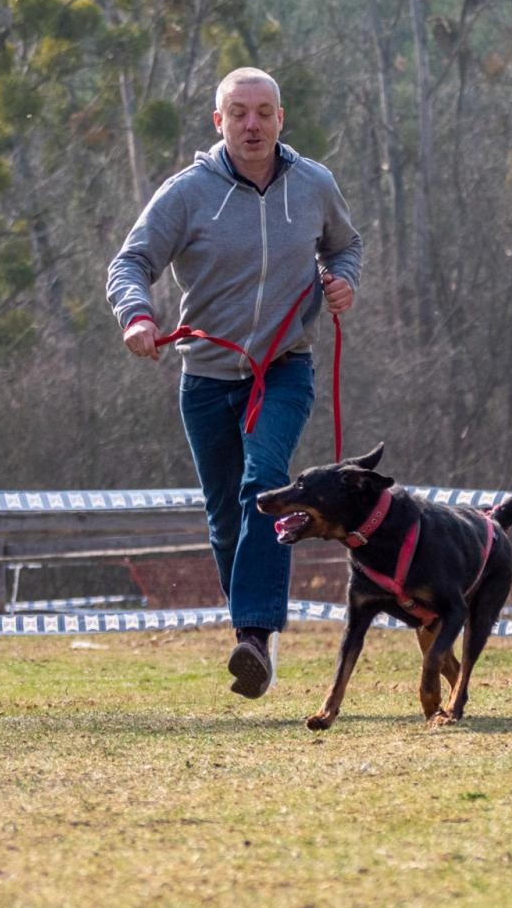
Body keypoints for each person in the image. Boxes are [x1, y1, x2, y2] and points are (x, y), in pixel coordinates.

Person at [107, 67, 363, 699]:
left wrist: (342, 281)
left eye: (264, 112)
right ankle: (256, 640)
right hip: (206, 377)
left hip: (283, 369)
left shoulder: (313, 184)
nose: (253, 124)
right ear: (218, 122)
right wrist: (136, 316)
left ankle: (253, 632)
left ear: (282, 118)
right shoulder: (189, 193)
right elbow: (130, 262)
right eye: (239, 113)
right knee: (224, 519)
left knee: (264, 485)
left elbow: (345, 245)